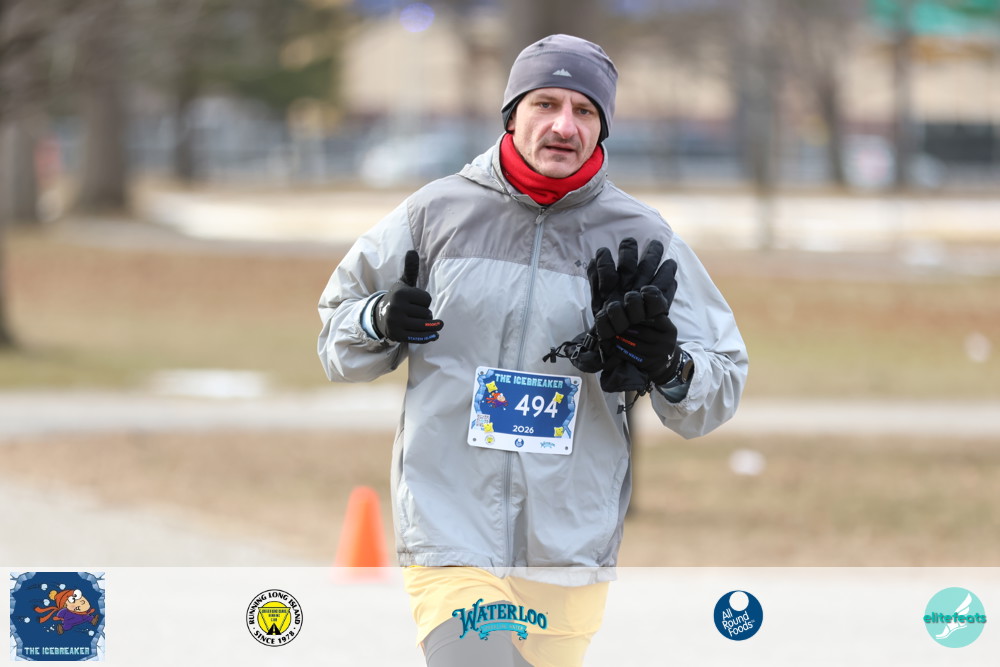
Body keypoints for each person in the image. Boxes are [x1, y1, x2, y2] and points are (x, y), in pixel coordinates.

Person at [318, 33, 748, 667]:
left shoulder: (641, 237)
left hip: (568, 545)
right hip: (450, 525)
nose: (563, 126)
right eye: (545, 103)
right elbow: (335, 331)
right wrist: (378, 317)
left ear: (602, 128)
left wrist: (668, 365)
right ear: (512, 114)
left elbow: (722, 378)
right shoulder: (435, 214)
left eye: (584, 111)